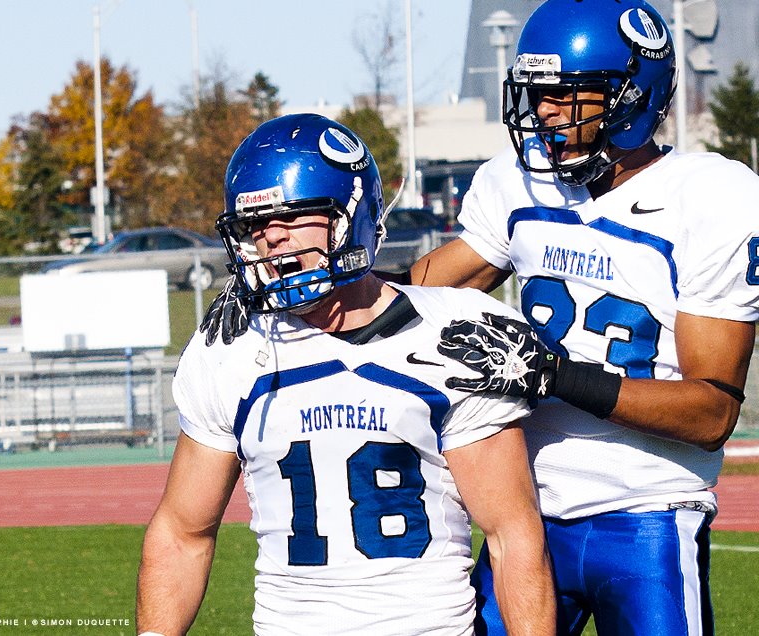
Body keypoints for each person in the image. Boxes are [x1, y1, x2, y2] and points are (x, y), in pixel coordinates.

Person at [199, 2, 759, 634]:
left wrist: (557, 376)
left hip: (649, 509)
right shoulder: (518, 183)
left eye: (567, 94)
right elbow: (413, 292)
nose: (545, 113)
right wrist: (288, 286)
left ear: (635, 95)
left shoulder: (712, 197)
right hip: (532, 505)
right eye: (537, 94)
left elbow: (711, 413)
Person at [137, 113, 555, 635]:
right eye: (256, 225)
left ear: (352, 217)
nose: (272, 239)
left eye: (293, 217)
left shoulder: (451, 335)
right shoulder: (231, 348)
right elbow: (183, 532)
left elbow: (512, 536)